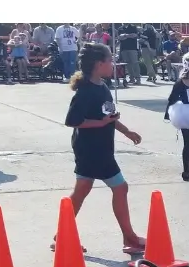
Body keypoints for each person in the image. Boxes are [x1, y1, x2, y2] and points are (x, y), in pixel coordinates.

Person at [63, 43, 145, 254]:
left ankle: (61, 236)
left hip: (101, 147)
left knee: (82, 190)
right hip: (91, 149)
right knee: (120, 187)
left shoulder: (103, 86)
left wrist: (126, 131)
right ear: (99, 64)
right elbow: (72, 120)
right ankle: (130, 238)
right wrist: (99, 123)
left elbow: (108, 117)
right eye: (110, 60)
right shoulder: (85, 91)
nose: (113, 63)